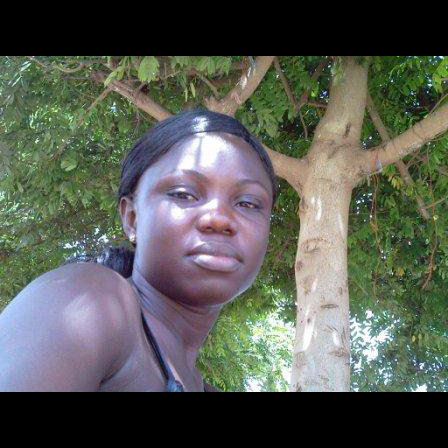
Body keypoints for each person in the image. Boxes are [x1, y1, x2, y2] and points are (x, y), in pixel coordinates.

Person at [0, 108, 277, 392]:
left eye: (248, 203)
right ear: (132, 218)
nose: (219, 218)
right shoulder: (89, 299)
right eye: (184, 194)